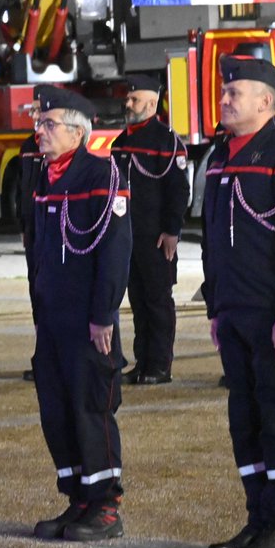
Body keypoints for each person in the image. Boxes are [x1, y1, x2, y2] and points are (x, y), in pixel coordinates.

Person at [28, 86, 130, 542]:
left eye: (49, 124)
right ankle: (79, 499)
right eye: (40, 123)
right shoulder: (44, 176)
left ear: (77, 131)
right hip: (52, 316)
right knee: (58, 411)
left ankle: (105, 505)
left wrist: (104, 312)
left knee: (91, 408)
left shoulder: (101, 173)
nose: (40, 131)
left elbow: (114, 249)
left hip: (88, 319)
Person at [200, 54, 275, 548]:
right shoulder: (220, 156)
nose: (224, 99)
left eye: (235, 93)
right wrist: (214, 306)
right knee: (244, 422)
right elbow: (211, 238)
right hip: (232, 312)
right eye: (225, 91)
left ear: (266, 101)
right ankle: (259, 521)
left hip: (269, 315)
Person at [110, 75, 189, 386]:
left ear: (153, 103)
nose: (128, 104)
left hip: (156, 237)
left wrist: (172, 230)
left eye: (135, 99)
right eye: (128, 99)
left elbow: (178, 190)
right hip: (129, 237)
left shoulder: (166, 141)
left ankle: (159, 365)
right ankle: (142, 362)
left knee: (158, 302)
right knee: (138, 302)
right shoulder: (121, 142)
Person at [18, 90, 45, 383]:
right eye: (33, 111)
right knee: (37, 294)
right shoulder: (28, 146)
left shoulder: (56, 148)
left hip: (53, 233)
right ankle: (44, 356)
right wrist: (24, 226)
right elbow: (23, 190)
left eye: (39, 110)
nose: (35, 117)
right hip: (34, 231)